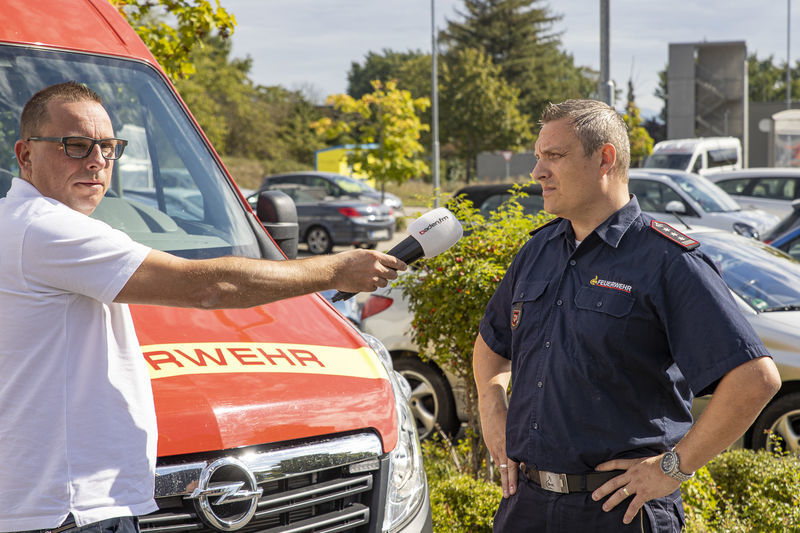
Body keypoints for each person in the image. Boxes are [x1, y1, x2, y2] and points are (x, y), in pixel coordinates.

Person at [0, 82, 406, 533]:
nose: (97, 160)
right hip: (68, 512)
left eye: (109, 147)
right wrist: (336, 270)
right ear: (25, 155)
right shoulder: (46, 229)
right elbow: (210, 287)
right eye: (75, 145)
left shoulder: (17, 224)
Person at [473, 99, 781, 532]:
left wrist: (673, 468)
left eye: (554, 156)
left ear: (605, 158)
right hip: (526, 506)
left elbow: (755, 378)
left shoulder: (667, 260)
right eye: (538, 157)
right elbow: (491, 345)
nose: (537, 172)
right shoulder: (537, 251)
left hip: (619, 512)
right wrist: (492, 407)